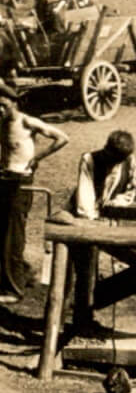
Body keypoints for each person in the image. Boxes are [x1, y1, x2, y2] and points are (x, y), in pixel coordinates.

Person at [0, 84, 68, 304]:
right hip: (1, 177)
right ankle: (23, 271)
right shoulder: (3, 122)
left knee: (13, 235)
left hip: (20, 182)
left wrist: (38, 157)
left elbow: (62, 138)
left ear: (14, 102)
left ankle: (13, 289)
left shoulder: (27, 122)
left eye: (3, 106)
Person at [53, 130, 136, 331]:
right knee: (85, 269)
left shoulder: (131, 162)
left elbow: (133, 189)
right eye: (113, 158)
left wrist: (121, 201)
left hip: (110, 219)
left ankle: (96, 299)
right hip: (82, 220)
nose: (115, 163)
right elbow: (85, 196)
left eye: (120, 160)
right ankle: (80, 320)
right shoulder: (89, 159)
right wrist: (90, 225)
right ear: (106, 149)